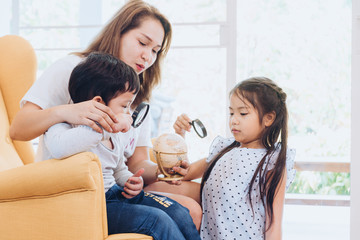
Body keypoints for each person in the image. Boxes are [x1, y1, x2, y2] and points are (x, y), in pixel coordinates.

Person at [10, 0, 202, 230]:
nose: (147, 57)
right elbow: (18, 129)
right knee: (169, 216)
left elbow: (136, 161)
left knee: (194, 203)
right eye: (142, 43)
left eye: (155, 51)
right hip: (73, 189)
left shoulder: (137, 96)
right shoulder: (73, 69)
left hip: (116, 185)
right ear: (119, 33)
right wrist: (69, 112)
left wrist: (165, 170)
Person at [42, 52, 200, 239]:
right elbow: (60, 148)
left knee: (179, 212)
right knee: (157, 221)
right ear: (99, 103)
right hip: (90, 205)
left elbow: (118, 170)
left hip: (116, 195)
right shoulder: (64, 127)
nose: (128, 112)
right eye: (125, 105)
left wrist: (130, 181)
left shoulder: (115, 136)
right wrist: (106, 127)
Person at [173, 77, 296, 239]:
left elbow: (273, 225)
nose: (234, 120)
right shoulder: (224, 150)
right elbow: (183, 173)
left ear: (269, 118)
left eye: (243, 113)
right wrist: (180, 136)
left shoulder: (271, 161)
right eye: (231, 112)